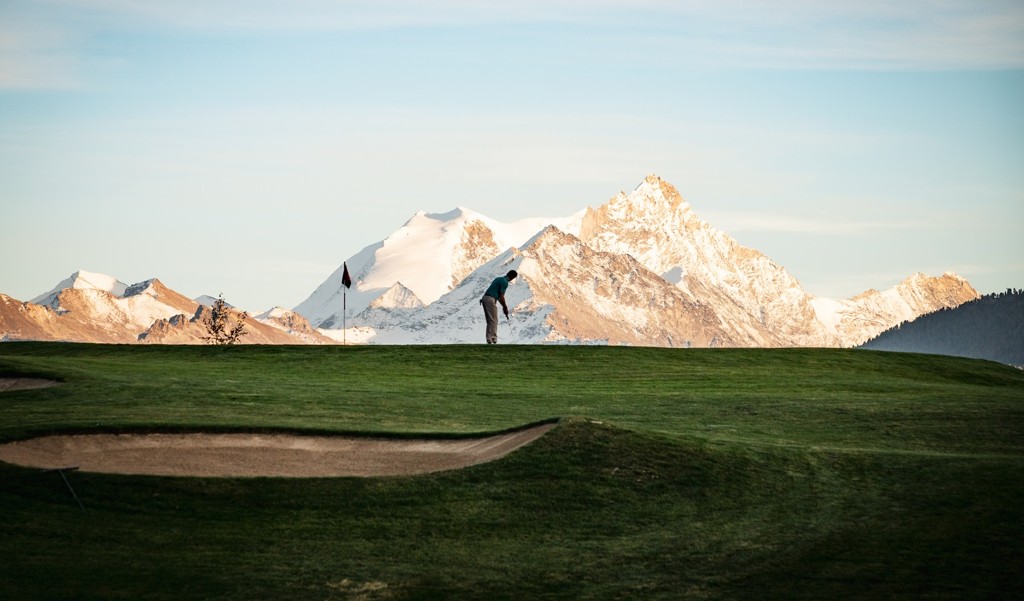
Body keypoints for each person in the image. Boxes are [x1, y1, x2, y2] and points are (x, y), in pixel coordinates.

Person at [480, 270, 518, 344]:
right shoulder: (505, 283)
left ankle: (490, 338)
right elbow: (501, 296)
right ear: (512, 277)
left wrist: (504, 307)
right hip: (490, 299)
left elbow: (498, 297)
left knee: (490, 320)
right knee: (494, 320)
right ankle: (492, 338)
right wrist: (505, 307)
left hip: (485, 298)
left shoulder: (498, 279)